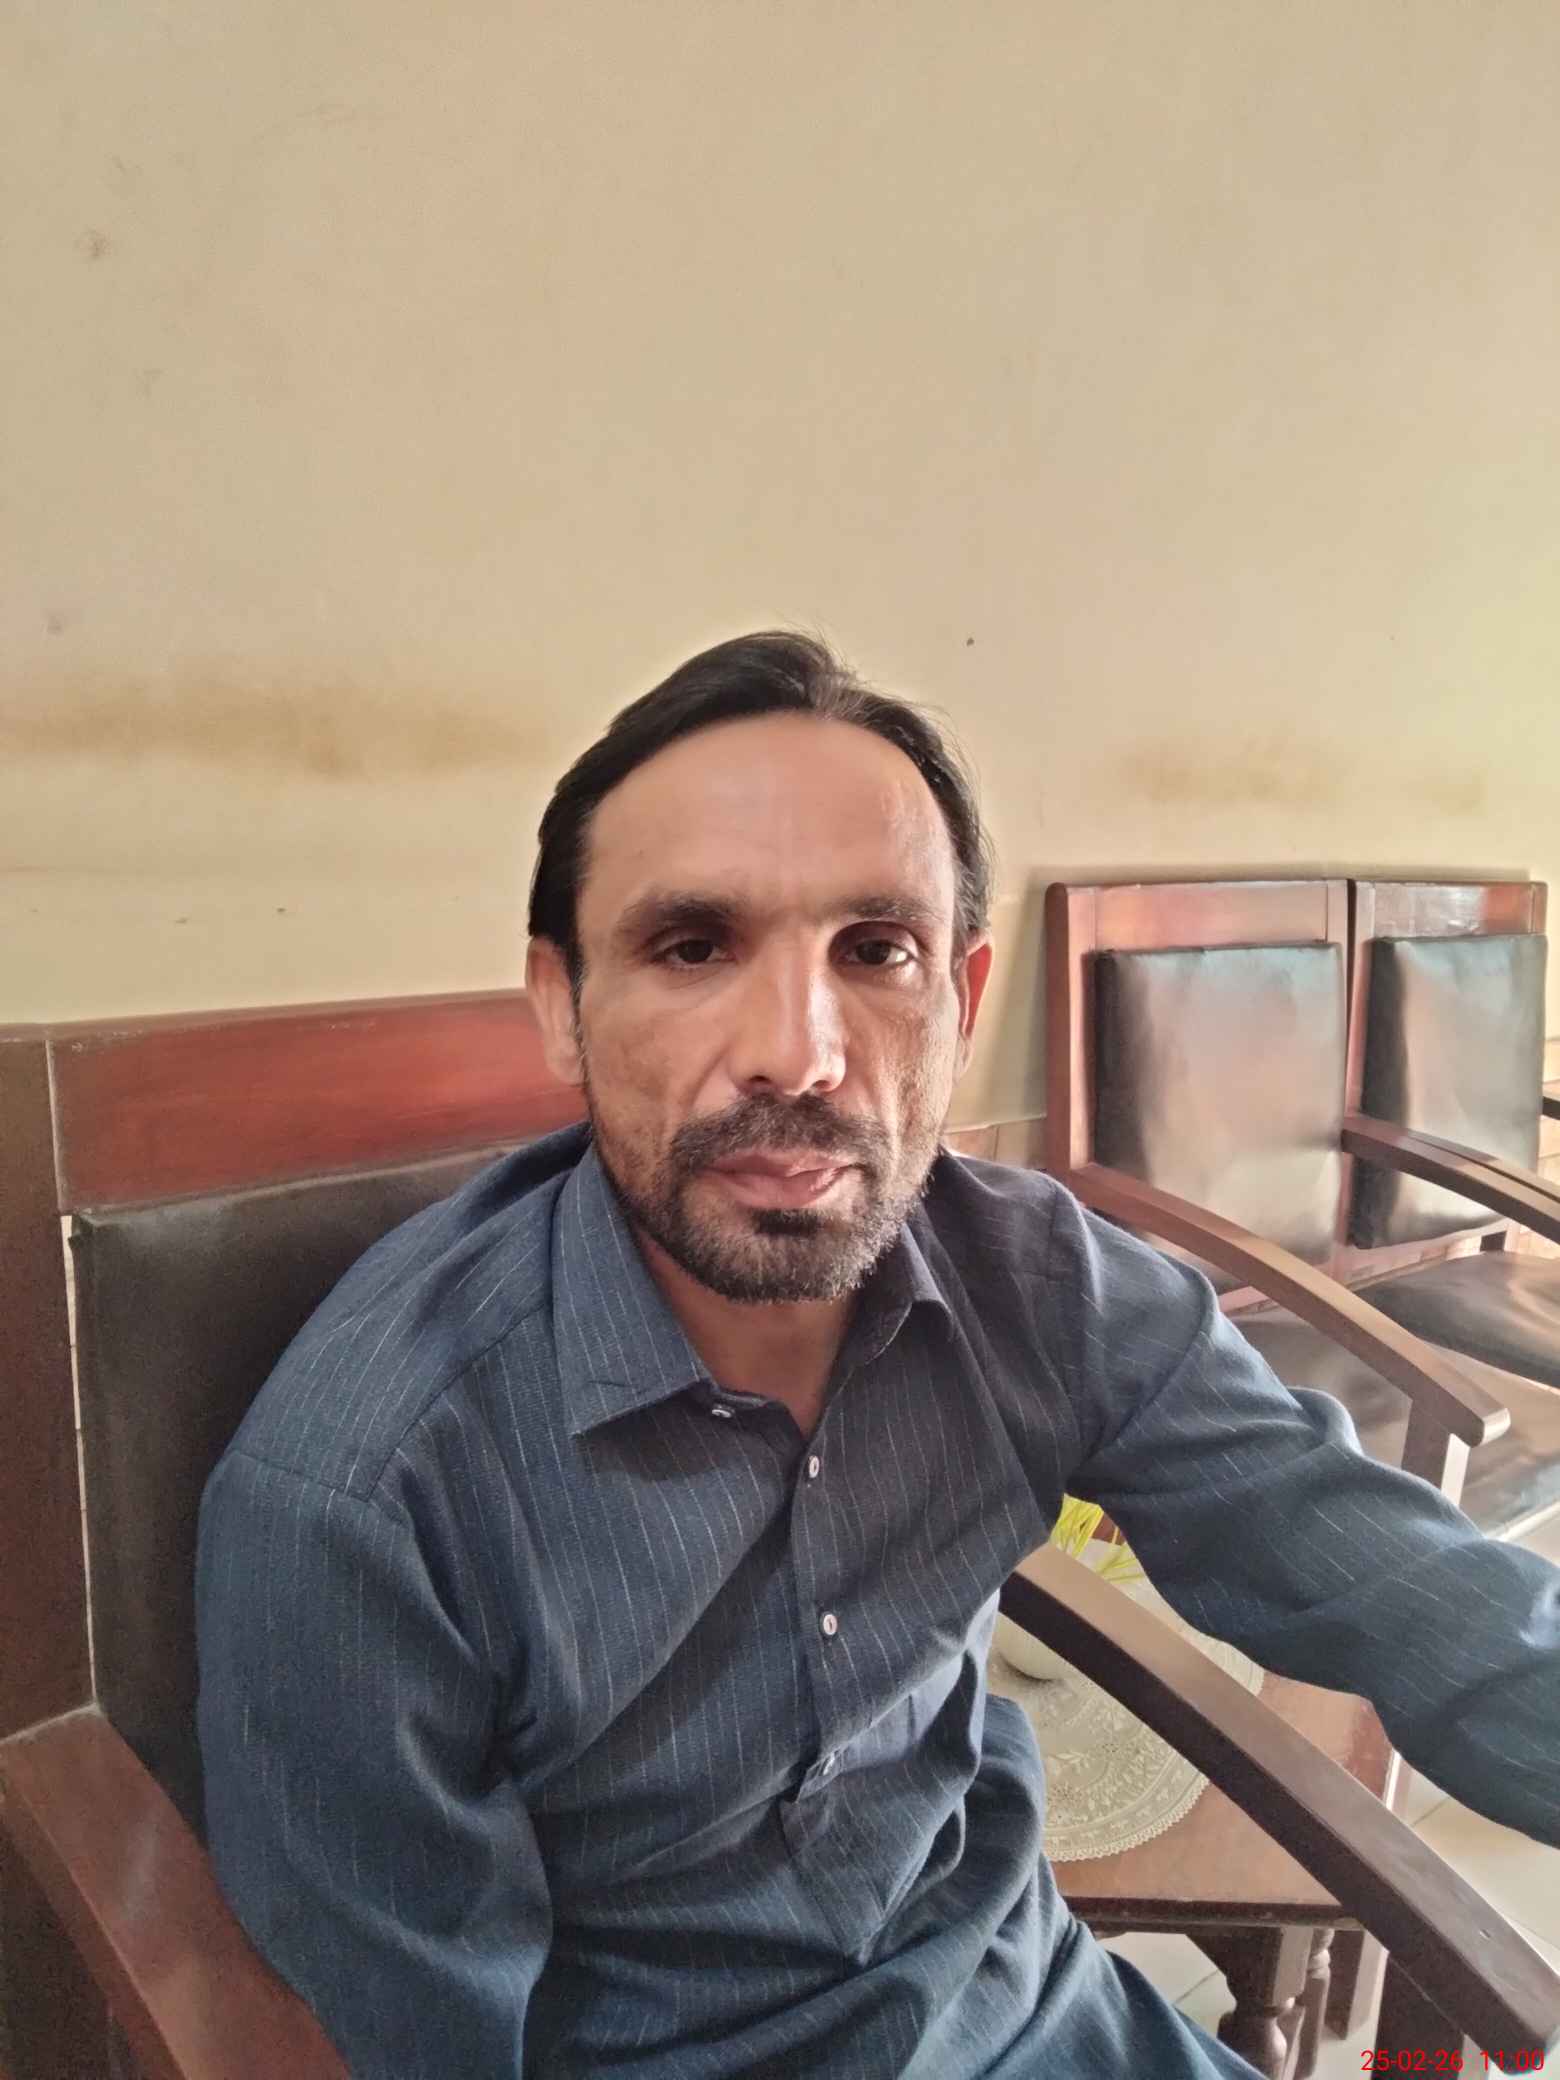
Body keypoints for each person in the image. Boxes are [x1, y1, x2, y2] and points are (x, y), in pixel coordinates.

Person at [196, 631, 1559, 2080]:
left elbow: (1424, 1600)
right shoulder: (369, 1491)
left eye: (877, 952)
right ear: (559, 1002)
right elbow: (413, 2036)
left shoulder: (1041, 1289)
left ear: (960, 1000)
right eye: (692, 947)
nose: (798, 1055)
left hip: (1035, 2017)